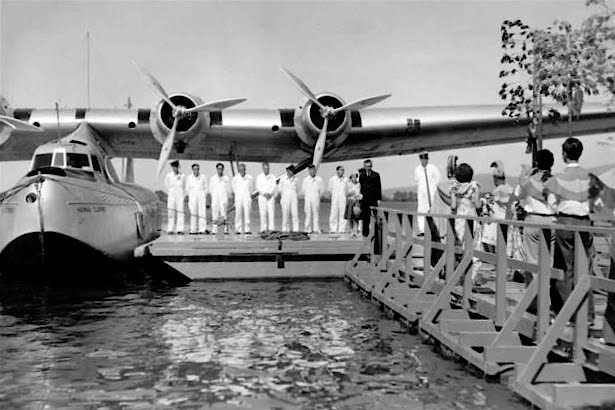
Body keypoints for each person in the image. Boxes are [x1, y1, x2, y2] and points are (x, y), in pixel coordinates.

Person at [545, 137, 602, 324]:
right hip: (584, 222)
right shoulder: (590, 177)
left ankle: (565, 313)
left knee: (564, 267)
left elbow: (552, 204)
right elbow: (597, 203)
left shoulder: (558, 178)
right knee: (584, 268)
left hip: (565, 222)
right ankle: (587, 315)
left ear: (564, 154)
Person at [516, 149, 556, 280]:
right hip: (551, 221)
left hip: (533, 220)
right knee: (550, 259)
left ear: (536, 163)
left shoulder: (529, 181)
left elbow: (518, 195)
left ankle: (535, 288)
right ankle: (548, 286)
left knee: (532, 259)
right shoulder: (555, 180)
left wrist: (524, 174)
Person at [481, 161, 514, 253]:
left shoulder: (497, 192)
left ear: (495, 179)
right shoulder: (510, 189)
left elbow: (493, 209)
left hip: (498, 224)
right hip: (507, 223)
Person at [450, 163, 481, 244]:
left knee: (461, 242)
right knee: (472, 243)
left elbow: (453, 206)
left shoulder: (454, 187)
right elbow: (478, 205)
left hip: (460, 218)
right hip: (472, 216)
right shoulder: (474, 186)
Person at [414, 150, 441, 235]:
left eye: (425, 158)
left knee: (433, 209)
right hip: (422, 193)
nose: (424, 160)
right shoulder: (418, 169)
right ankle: (422, 230)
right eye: (422, 159)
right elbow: (417, 180)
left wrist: (433, 187)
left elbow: (438, 178)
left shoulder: (433, 168)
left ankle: (435, 229)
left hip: (432, 192)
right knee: (421, 210)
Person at [430, 155, 458, 239]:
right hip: (453, 228)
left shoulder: (440, 186)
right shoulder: (458, 186)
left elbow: (433, 210)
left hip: (440, 228)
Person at [359, 159, 382, 237]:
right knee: (365, 217)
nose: (368, 168)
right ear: (364, 166)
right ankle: (365, 233)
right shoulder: (361, 175)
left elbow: (379, 187)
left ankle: (376, 233)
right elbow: (360, 187)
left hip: (373, 199)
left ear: (371, 166)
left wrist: (379, 199)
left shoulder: (376, 175)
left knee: (375, 216)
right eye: (367, 166)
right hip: (364, 199)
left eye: (369, 166)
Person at [164, 160, 186, 234]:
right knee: (171, 212)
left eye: (175, 167)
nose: (174, 168)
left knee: (180, 212)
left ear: (178, 167)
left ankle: (180, 229)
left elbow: (183, 185)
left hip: (179, 195)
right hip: (171, 196)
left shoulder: (182, 176)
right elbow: (167, 185)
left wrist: (180, 193)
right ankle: (170, 229)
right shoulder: (169, 176)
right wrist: (171, 192)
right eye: (173, 167)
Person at [186, 163, 208, 235]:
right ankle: (193, 230)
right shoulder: (189, 178)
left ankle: (202, 229)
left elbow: (206, 187)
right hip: (192, 196)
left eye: (197, 169)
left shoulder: (203, 177)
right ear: (192, 170)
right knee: (193, 213)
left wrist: (204, 195)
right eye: (195, 169)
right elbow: (187, 188)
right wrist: (190, 196)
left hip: (201, 196)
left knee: (202, 213)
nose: (196, 170)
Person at [209, 163, 231, 234]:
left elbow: (229, 189)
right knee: (215, 213)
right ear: (216, 169)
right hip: (215, 198)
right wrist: (214, 196)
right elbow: (210, 189)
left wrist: (226, 198)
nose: (220, 170)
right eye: (218, 169)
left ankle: (223, 229)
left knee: (223, 214)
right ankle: (215, 229)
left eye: (221, 169)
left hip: (223, 198)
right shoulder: (213, 178)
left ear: (223, 169)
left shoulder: (226, 178)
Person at [232, 163, 254, 235]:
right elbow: (234, 189)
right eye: (240, 169)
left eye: (243, 169)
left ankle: (247, 229)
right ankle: (238, 229)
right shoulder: (235, 178)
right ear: (239, 170)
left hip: (247, 197)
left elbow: (251, 188)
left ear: (245, 169)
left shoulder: (249, 178)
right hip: (238, 197)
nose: (242, 171)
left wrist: (248, 195)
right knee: (238, 213)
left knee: (247, 213)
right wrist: (238, 195)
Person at [256, 161, 277, 233]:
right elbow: (258, 187)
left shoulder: (272, 176)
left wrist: (270, 193)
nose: (266, 170)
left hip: (270, 197)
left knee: (271, 213)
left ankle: (271, 229)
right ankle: (263, 229)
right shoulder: (259, 177)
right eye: (265, 168)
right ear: (262, 168)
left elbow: (274, 186)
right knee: (263, 213)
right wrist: (264, 193)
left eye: (267, 168)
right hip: (262, 197)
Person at [302, 164, 324, 234]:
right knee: (308, 213)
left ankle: (316, 229)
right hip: (308, 197)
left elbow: (322, 190)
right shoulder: (305, 180)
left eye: (313, 170)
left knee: (316, 213)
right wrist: (307, 196)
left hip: (316, 197)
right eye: (311, 170)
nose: (312, 171)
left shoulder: (319, 179)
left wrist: (318, 196)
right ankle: (307, 229)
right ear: (308, 171)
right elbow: (303, 190)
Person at [329, 165, 348, 233]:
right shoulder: (332, 179)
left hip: (343, 198)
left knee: (343, 213)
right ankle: (333, 229)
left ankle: (342, 229)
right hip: (335, 198)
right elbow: (330, 189)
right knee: (334, 213)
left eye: (343, 170)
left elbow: (347, 189)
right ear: (337, 171)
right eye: (341, 170)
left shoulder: (346, 179)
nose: (342, 171)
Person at [280, 165, 299, 232]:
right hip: (285, 198)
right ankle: (285, 228)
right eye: (290, 171)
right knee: (285, 214)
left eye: (293, 171)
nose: (292, 172)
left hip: (293, 197)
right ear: (287, 171)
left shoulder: (296, 179)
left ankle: (295, 229)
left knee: (295, 214)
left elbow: (297, 189)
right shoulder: (283, 179)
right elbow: (280, 189)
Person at [344, 172, 363, 237]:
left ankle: (356, 230)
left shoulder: (359, 184)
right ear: (351, 178)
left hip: (357, 202)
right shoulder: (348, 184)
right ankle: (351, 230)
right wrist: (352, 193)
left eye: (355, 177)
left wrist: (359, 196)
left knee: (357, 217)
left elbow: (359, 193)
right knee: (350, 217)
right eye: (353, 177)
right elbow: (346, 193)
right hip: (350, 201)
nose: (354, 178)